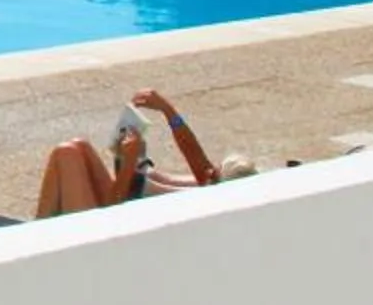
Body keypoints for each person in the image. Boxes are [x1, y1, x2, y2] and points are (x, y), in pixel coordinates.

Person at [35, 88, 254, 218]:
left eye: (214, 175)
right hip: (112, 215)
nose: (208, 172)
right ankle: (38, 229)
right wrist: (168, 111)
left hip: (98, 239)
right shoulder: (211, 191)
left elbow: (111, 214)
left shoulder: (195, 207)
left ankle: (36, 237)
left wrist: (129, 164)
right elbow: (198, 161)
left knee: (66, 153)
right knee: (78, 146)